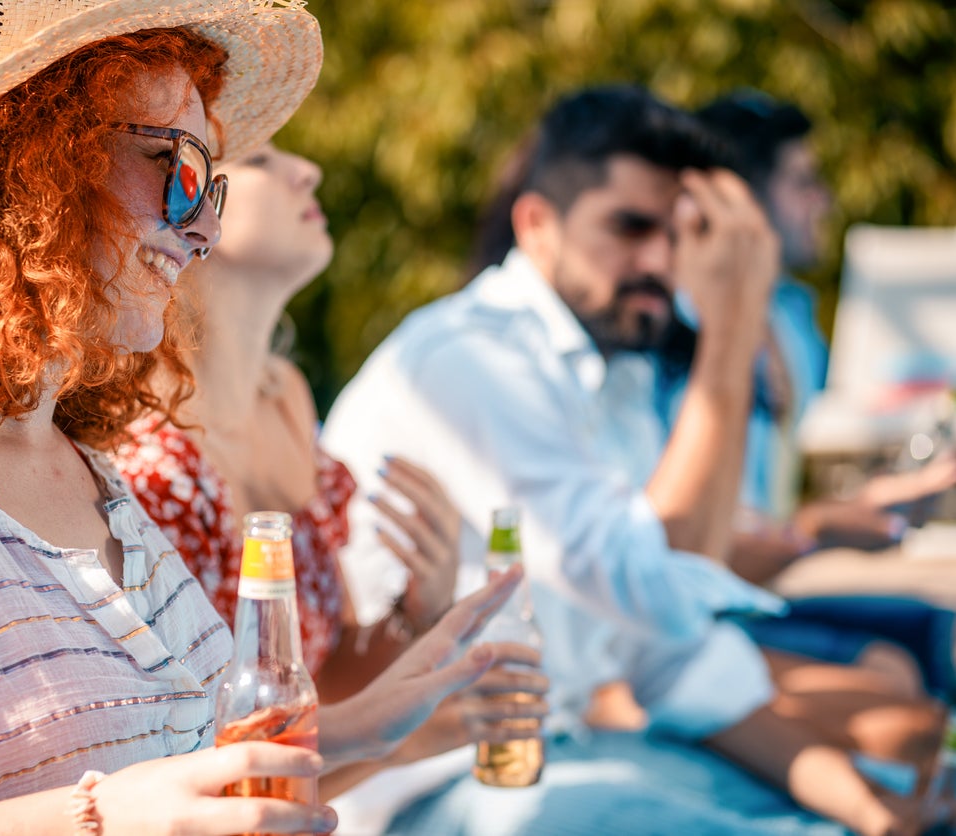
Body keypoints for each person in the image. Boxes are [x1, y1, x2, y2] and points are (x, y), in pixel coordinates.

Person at [0, 2, 542, 832]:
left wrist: (390, 719)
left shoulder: (85, 469)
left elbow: (186, 768)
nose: (205, 226)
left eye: (211, 185)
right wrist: (96, 818)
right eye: (177, 171)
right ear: (26, 168)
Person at [323, 84, 948, 834]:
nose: (658, 259)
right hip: (441, 788)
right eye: (629, 227)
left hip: (567, 753)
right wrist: (734, 320)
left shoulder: (613, 372)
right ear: (536, 225)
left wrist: (871, 809)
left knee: (897, 786)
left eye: (675, 231)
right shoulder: (470, 359)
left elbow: (673, 654)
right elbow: (657, 586)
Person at [110, 142, 546, 798]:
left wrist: (415, 612)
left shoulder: (283, 395)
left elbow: (319, 676)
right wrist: (424, 731)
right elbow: (193, 774)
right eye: (259, 159)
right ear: (186, 202)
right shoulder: (139, 445)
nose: (308, 170)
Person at [651, 91, 956, 704]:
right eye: (802, 182)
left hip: (755, 596)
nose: (824, 201)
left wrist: (874, 504)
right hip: (688, 623)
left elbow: (770, 508)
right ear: (738, 202)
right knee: (886, 673)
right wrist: (820, 528)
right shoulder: (666, 330)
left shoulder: (790, 318)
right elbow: (683, 559)